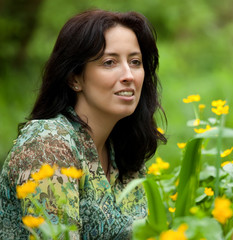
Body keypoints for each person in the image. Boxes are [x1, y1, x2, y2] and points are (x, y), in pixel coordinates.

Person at [0, 9, 166, 239]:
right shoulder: (48, 146)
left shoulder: (124, 153)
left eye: (135, 62)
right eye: (109, 62)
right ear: (74, 79)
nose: (129, 75)